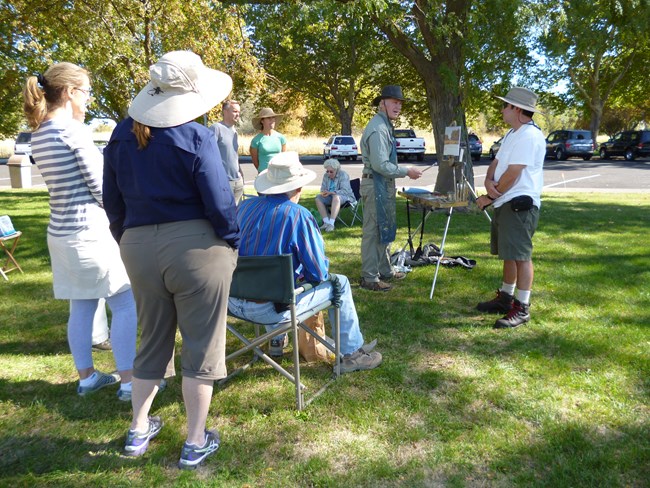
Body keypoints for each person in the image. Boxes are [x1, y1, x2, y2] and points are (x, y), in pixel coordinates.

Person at [103, 51, 239, 469]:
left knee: (152, 337)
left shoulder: (121, 134)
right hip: (196, 246)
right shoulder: (196, 136)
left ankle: (138, 429)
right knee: (200, 345)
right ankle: (195, 441)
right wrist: (232, 240)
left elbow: (113, 202)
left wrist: (128, 238)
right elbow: (219, 201)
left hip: (138, 245)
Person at [22, 63, 136, 399]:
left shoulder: (39, 132)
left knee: (82, 304)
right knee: (126, 302)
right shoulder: (72, 131)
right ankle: (130, 383)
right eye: (86, 92)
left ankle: (87, 378)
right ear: (70, 92)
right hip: (89, 231)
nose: (88, 100)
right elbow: (102, 189)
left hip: (60, 231)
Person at [229, 151, 382, 373]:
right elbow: (319, 273)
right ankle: (352, 354)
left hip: (233, 301)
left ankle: (276, 340)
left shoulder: (243, 208)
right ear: (298, 188)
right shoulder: (297, 215)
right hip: (272, 309)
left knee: (279, 279)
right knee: (340, 282)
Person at [475, 87, 545, 329]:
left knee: (521, 256)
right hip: (507, 202)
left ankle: (522, 308)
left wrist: (490, 196)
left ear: (516, 109)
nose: (502, 109)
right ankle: (506, 298)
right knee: (509, 253)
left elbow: (514, 173)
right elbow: (496, 162)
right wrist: (488, 181)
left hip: (519, 204)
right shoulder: (513, 133)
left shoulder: (529, 136)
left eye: (506, 105)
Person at [359, 85, 423, 292]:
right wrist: (406, 171)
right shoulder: (378, 128)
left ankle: (385, 270)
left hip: (382, 184)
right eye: (394, 102)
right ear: (382, 103)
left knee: (384, 228)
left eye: (400, 103)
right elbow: (380, 165)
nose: (398, 106)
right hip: (375, 182)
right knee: (373, 232)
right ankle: (369, 277)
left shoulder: (385, 125)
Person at [210, 100, 244, 204]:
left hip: (237, 181)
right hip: (224, 182)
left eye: (238, 111)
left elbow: (233, 155)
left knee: (237, 215)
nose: (237, 114)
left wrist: (241, 174)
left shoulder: (235, 131)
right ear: (225, 111)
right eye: (234, 111)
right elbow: (208, 154)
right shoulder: (216, 128)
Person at [315, 158, 356, 232]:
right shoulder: (326, 176)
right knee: (318, 198)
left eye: (331, 172)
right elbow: (322, 189)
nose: (329, 173)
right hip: (330, 196)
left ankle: (331, 224)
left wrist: (331, 192)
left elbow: (345, 191)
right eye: (327, 171)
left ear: (336, 170)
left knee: (336, 197)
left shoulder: (343, 175)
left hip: (346, 197)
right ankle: (326, 222)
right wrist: (324, 192)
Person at [249, 107, 286, 173]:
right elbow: (255, 162)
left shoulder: (281, 138)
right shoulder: (256, 140)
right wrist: (263, 172)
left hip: (279, 174)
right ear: (262, 121)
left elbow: (283, 157)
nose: (272, 120)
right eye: (269, 118)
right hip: (264, 174)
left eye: (273, 117)